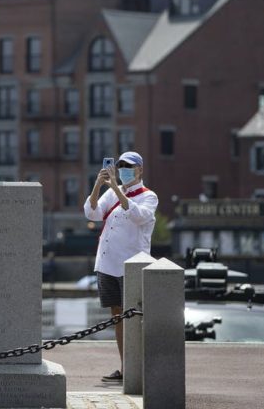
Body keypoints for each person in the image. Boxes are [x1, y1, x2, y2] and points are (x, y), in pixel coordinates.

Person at [83, 151, 158, 382]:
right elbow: (92, 213)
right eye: (121, 165)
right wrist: (98, 184)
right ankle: (126, 368)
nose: (124, 169)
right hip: (107, 263)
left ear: (140, 170)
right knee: (117, 315)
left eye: (129, 166)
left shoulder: (148, 196)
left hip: (131, 265)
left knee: (133, 317)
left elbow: (138, 216)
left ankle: (138, 368)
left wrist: (116, 188)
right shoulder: (111, 193)